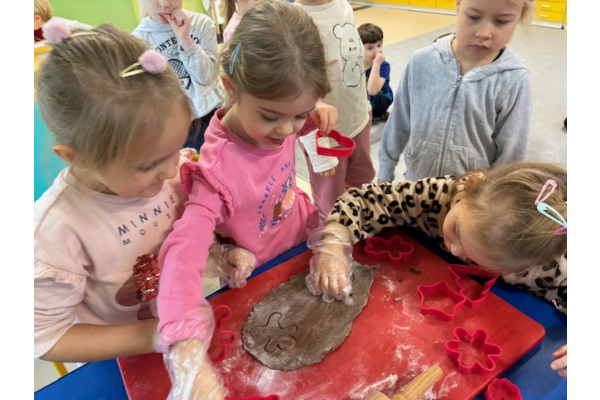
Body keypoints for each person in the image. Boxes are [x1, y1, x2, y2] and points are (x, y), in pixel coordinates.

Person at [33, 20, 248, 364]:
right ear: (76, 157)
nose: (171, 171)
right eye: (147, 166)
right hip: (125, 355)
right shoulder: (56, 231)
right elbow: (45, 338)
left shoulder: (171, 172)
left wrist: (219, 250)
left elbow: (189, 232)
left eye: (174, 150)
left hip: (191, 328)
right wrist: (157, 335)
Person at [155, 1, 338, 398]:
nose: (287, 130)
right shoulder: (215, 171)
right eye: (272, 116)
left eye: (299, 114)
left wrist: (315, 111)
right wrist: (186, 349)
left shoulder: (279, 112)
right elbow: (182, 253)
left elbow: (289, 111)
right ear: (230, 87)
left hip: (299, 248)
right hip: (255, 278)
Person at [305, 161, 567, 376]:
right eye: (456, 230)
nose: (454, 249)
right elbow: (363, 200)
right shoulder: (439, 196)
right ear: (471, 189)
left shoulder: (555, 266)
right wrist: (334, 244)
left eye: (476, 259)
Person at [378, 0, 533, 183]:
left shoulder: (514, 79)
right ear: (458, 5)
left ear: (519, 18)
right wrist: (385, 172)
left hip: (471, 194)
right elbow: (399, 122)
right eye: (473, 17)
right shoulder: (421, 61)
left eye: (502, 21)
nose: (484, 33)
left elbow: (511, 153)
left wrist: (495, 194)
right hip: (416, 185)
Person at [295, 0, 376, 222]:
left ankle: (361, 228)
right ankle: (333, 239)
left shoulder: (343, 5)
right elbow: (297, 87)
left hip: (358, 118)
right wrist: (315, 146)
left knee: (363, 185)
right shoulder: (294, 19)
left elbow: (349, 59)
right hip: (326, 137)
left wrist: (364, 107)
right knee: (330, 205)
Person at [133, 0, 225, 152]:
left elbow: (207, 78)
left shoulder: (201, 23)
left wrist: (185, 40)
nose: (164, 4)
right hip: (179, 126)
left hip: (215, 113)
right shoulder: (137, 41)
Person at [358, 22, 393, 121]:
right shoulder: (356, 64)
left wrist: (376, 64)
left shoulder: (384, 66)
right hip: (363, 97)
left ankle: (375, 114)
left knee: (372, 97)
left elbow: (372, 91)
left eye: (379, 45)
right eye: (370, 48)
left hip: (380, 97)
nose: (377, 51)